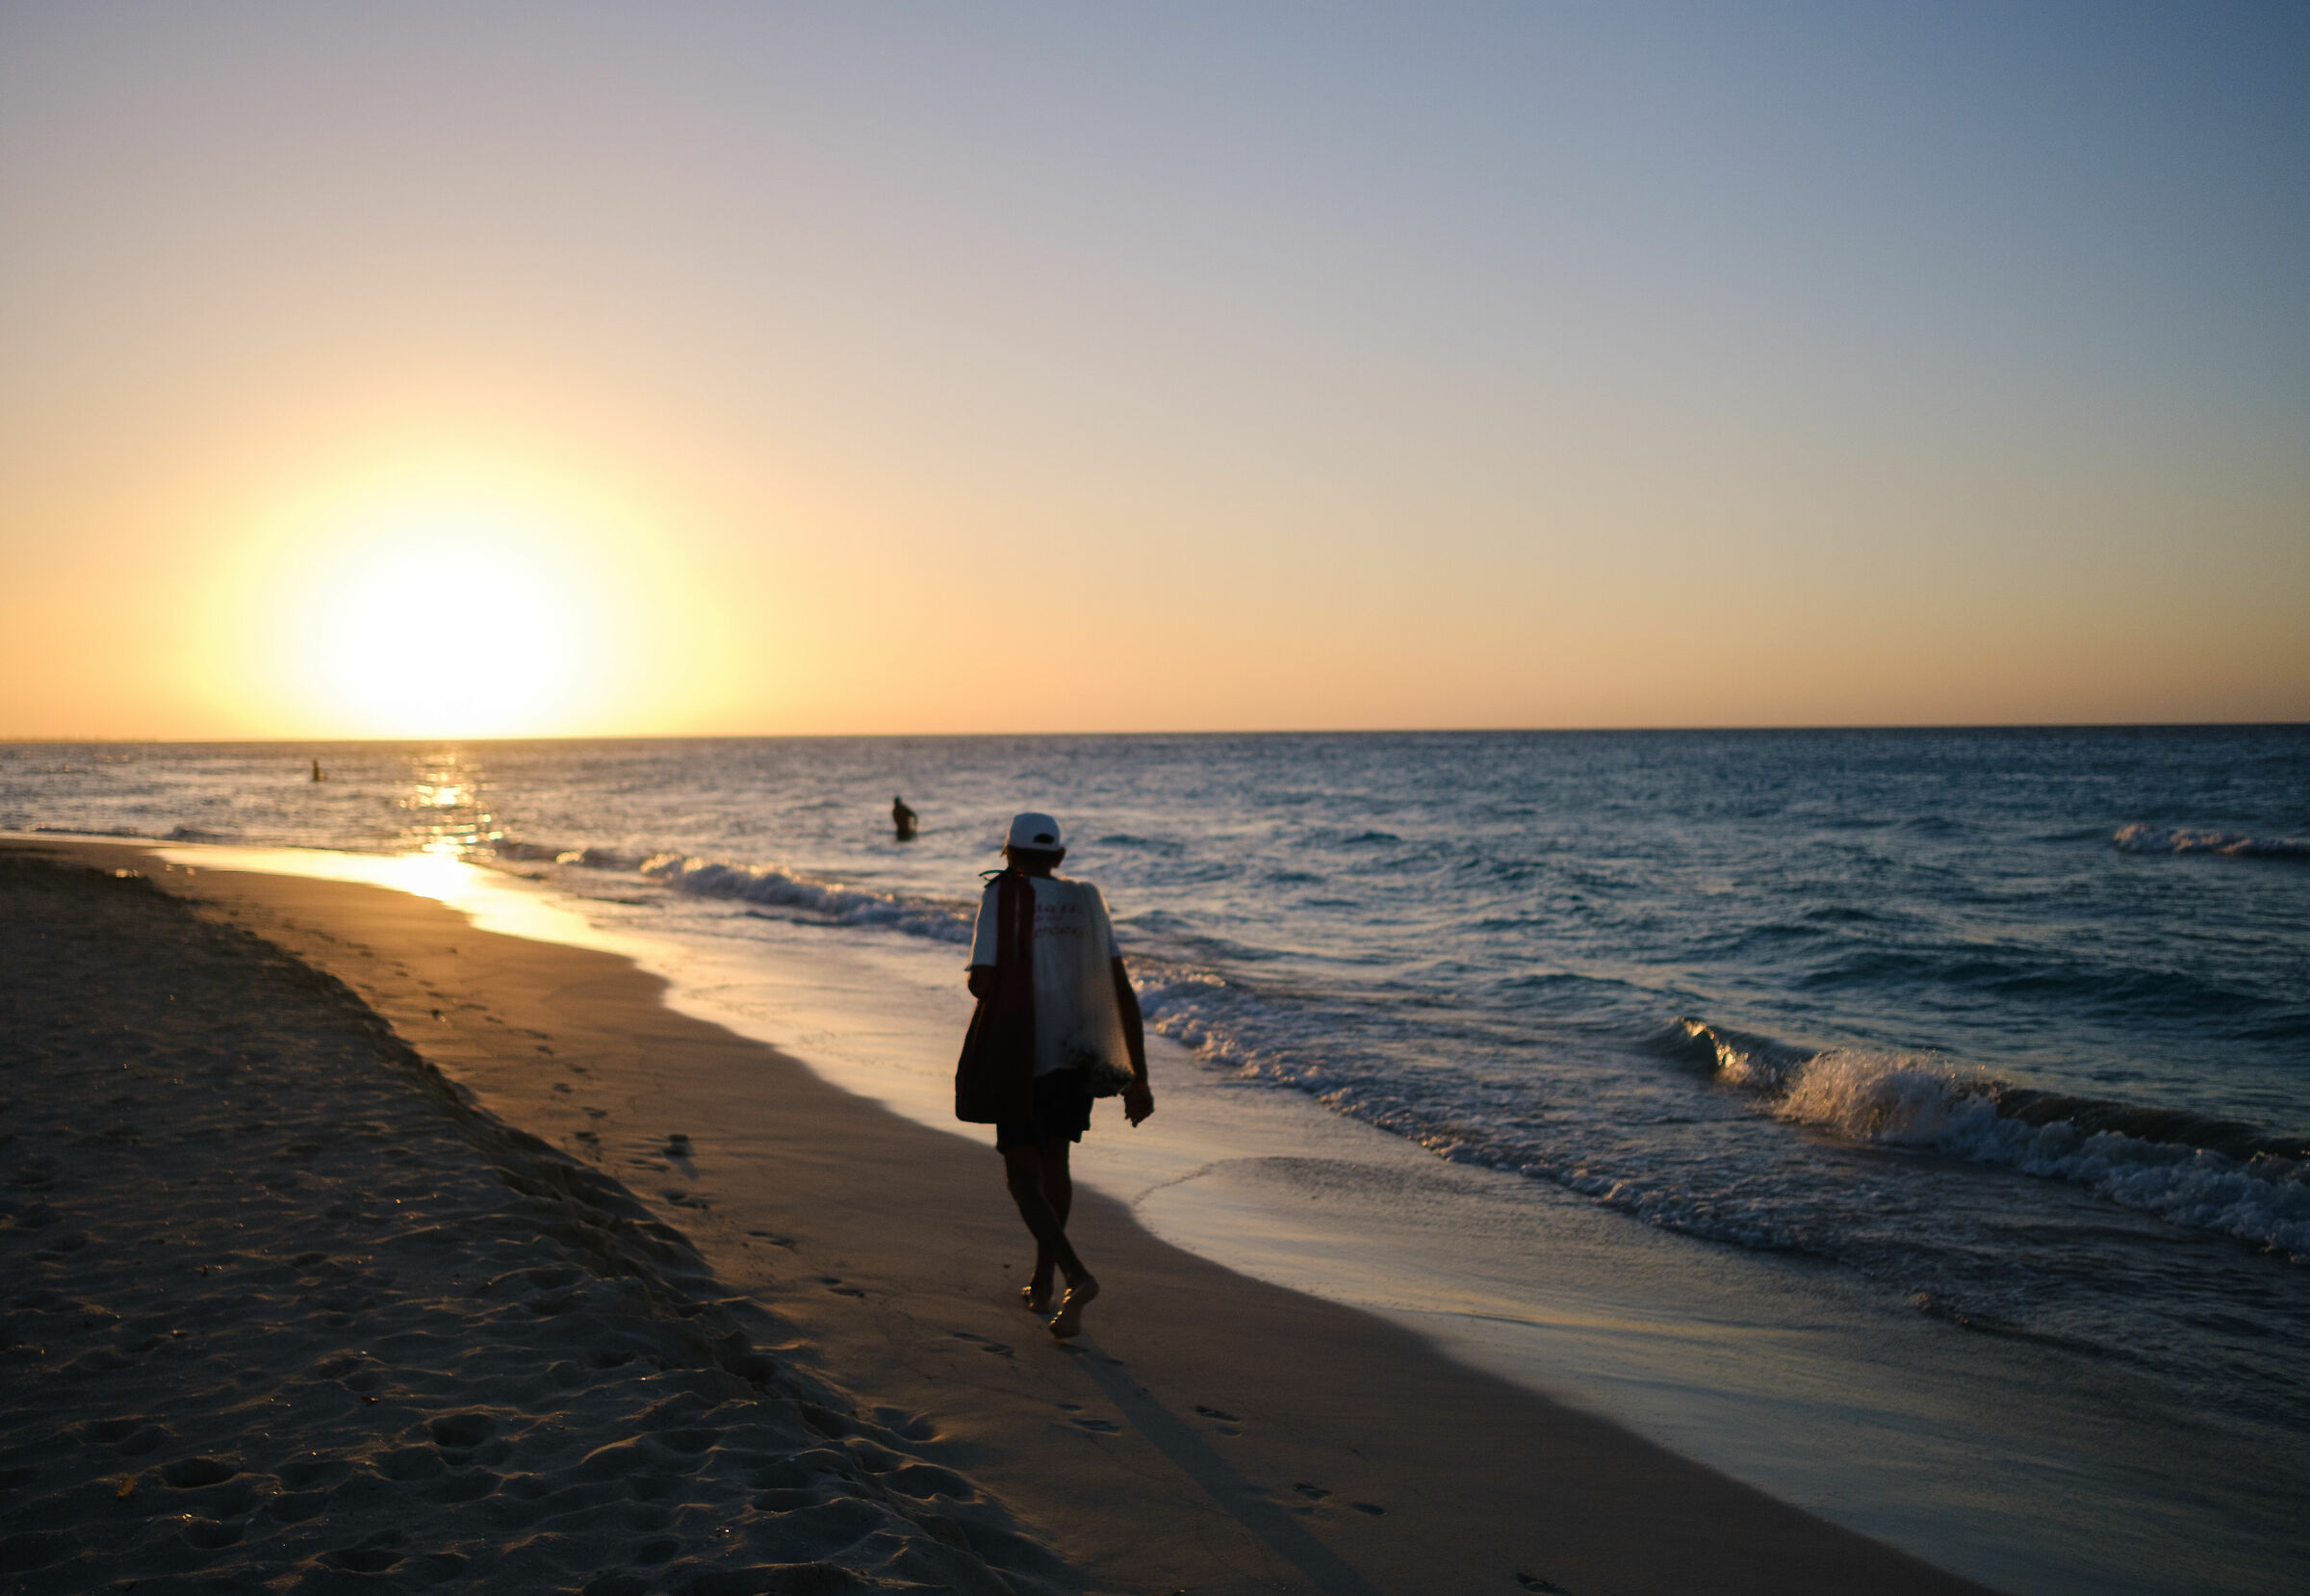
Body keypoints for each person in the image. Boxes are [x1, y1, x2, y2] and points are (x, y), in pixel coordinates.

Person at [962, 811, 1152, 1339]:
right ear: (1061, 858)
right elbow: (1120, 989)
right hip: (1079, 1053)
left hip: (1023, 1052)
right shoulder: (1088, 900)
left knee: (1022, 1179)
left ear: (1008, 855)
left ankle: (1075, 1275)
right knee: (1055, 1163)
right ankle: (1042, 1281)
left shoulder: (1002, 895)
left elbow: (981, 982)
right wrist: (1139, 1077)